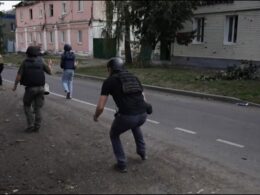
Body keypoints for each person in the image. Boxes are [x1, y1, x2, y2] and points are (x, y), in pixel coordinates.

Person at [93, 57, 148, 173]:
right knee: (135, 125)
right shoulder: (134, 77)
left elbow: (101, 107)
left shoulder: (109, 81)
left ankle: (121, 163)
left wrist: (96, 116)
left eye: (108, 69)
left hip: (128, 116)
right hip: (143, 114)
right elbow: (143, 98)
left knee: (114, 134)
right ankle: (143, 153)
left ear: (110, 69)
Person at [12, 46, 52, 132]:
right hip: (41, 88)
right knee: (38, 108)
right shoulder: (41, 61)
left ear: (27, 54)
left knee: (27, 105)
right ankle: (37, 125)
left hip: (30, 89)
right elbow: (49, 72)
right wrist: (49, 64)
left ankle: (30, 125)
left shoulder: (24, 62)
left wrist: (15, 86)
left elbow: (19, 76)